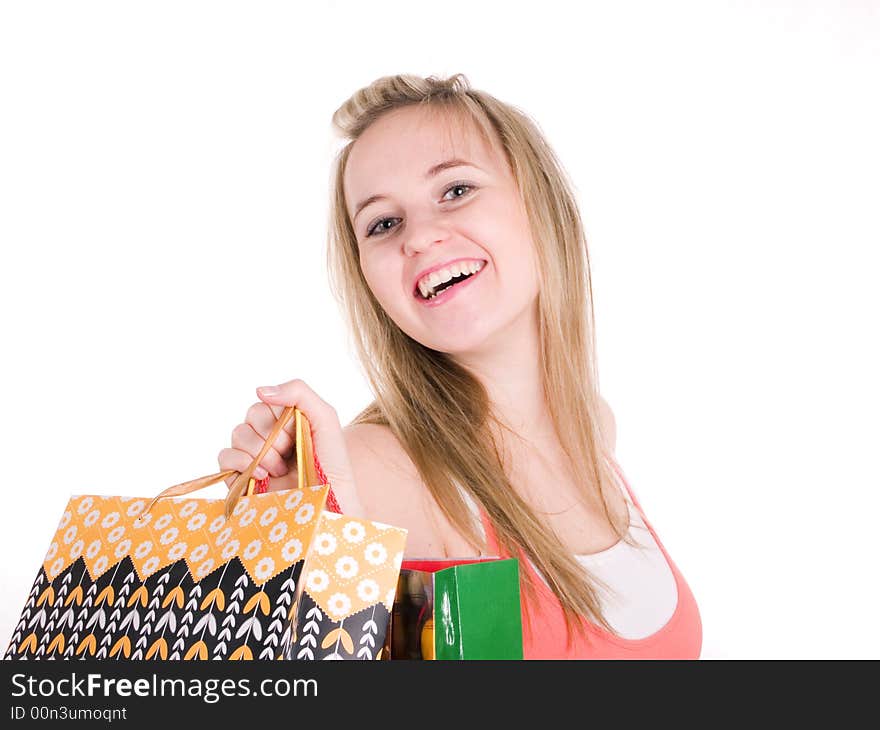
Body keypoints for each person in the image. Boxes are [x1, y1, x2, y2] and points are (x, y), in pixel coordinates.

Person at [217, 73, 702, 659]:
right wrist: (309, 532)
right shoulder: (376, 468)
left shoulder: (595, 428)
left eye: (454, 190)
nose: (419, 237)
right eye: (382, 223)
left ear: (538, 201)